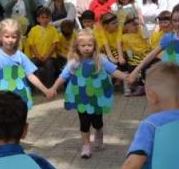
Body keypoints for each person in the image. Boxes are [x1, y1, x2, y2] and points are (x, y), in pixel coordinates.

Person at [48, 29, 129, 158]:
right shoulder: (74, 63)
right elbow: (63, 76)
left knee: (97, 121)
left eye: (89, 45)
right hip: (81, 98)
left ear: (94, 46)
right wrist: (53, 87)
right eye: (83, 45)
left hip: (97, 98)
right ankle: (86, 146)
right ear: (77, 47)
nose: (86, 48)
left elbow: (113, 71)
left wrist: (126, 77)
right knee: (84, 122)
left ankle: (99, 132)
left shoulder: (100, 60)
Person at [0, 19, 52, 109]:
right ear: (0, 37)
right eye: (7, 36)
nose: (10, 40)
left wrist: (45, 90)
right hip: (0, 97)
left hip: (18, 96)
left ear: (18, 38)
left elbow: (31, 76)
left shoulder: (21, 56)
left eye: (13, 37)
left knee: (17, 120)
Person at [24, 7, 62, 95]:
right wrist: (37, 56)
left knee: (49, 66)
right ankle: (30, 88)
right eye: (42, 17)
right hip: (36, 56)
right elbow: (32, 45)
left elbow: (54, 45)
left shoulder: (53, 30)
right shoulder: (33, 30)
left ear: (50, 18)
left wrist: (47, 56)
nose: (44, 19)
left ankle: (49, 88)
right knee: (30, 66)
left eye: (47, 17)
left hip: (49, 56)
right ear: (38, 19)